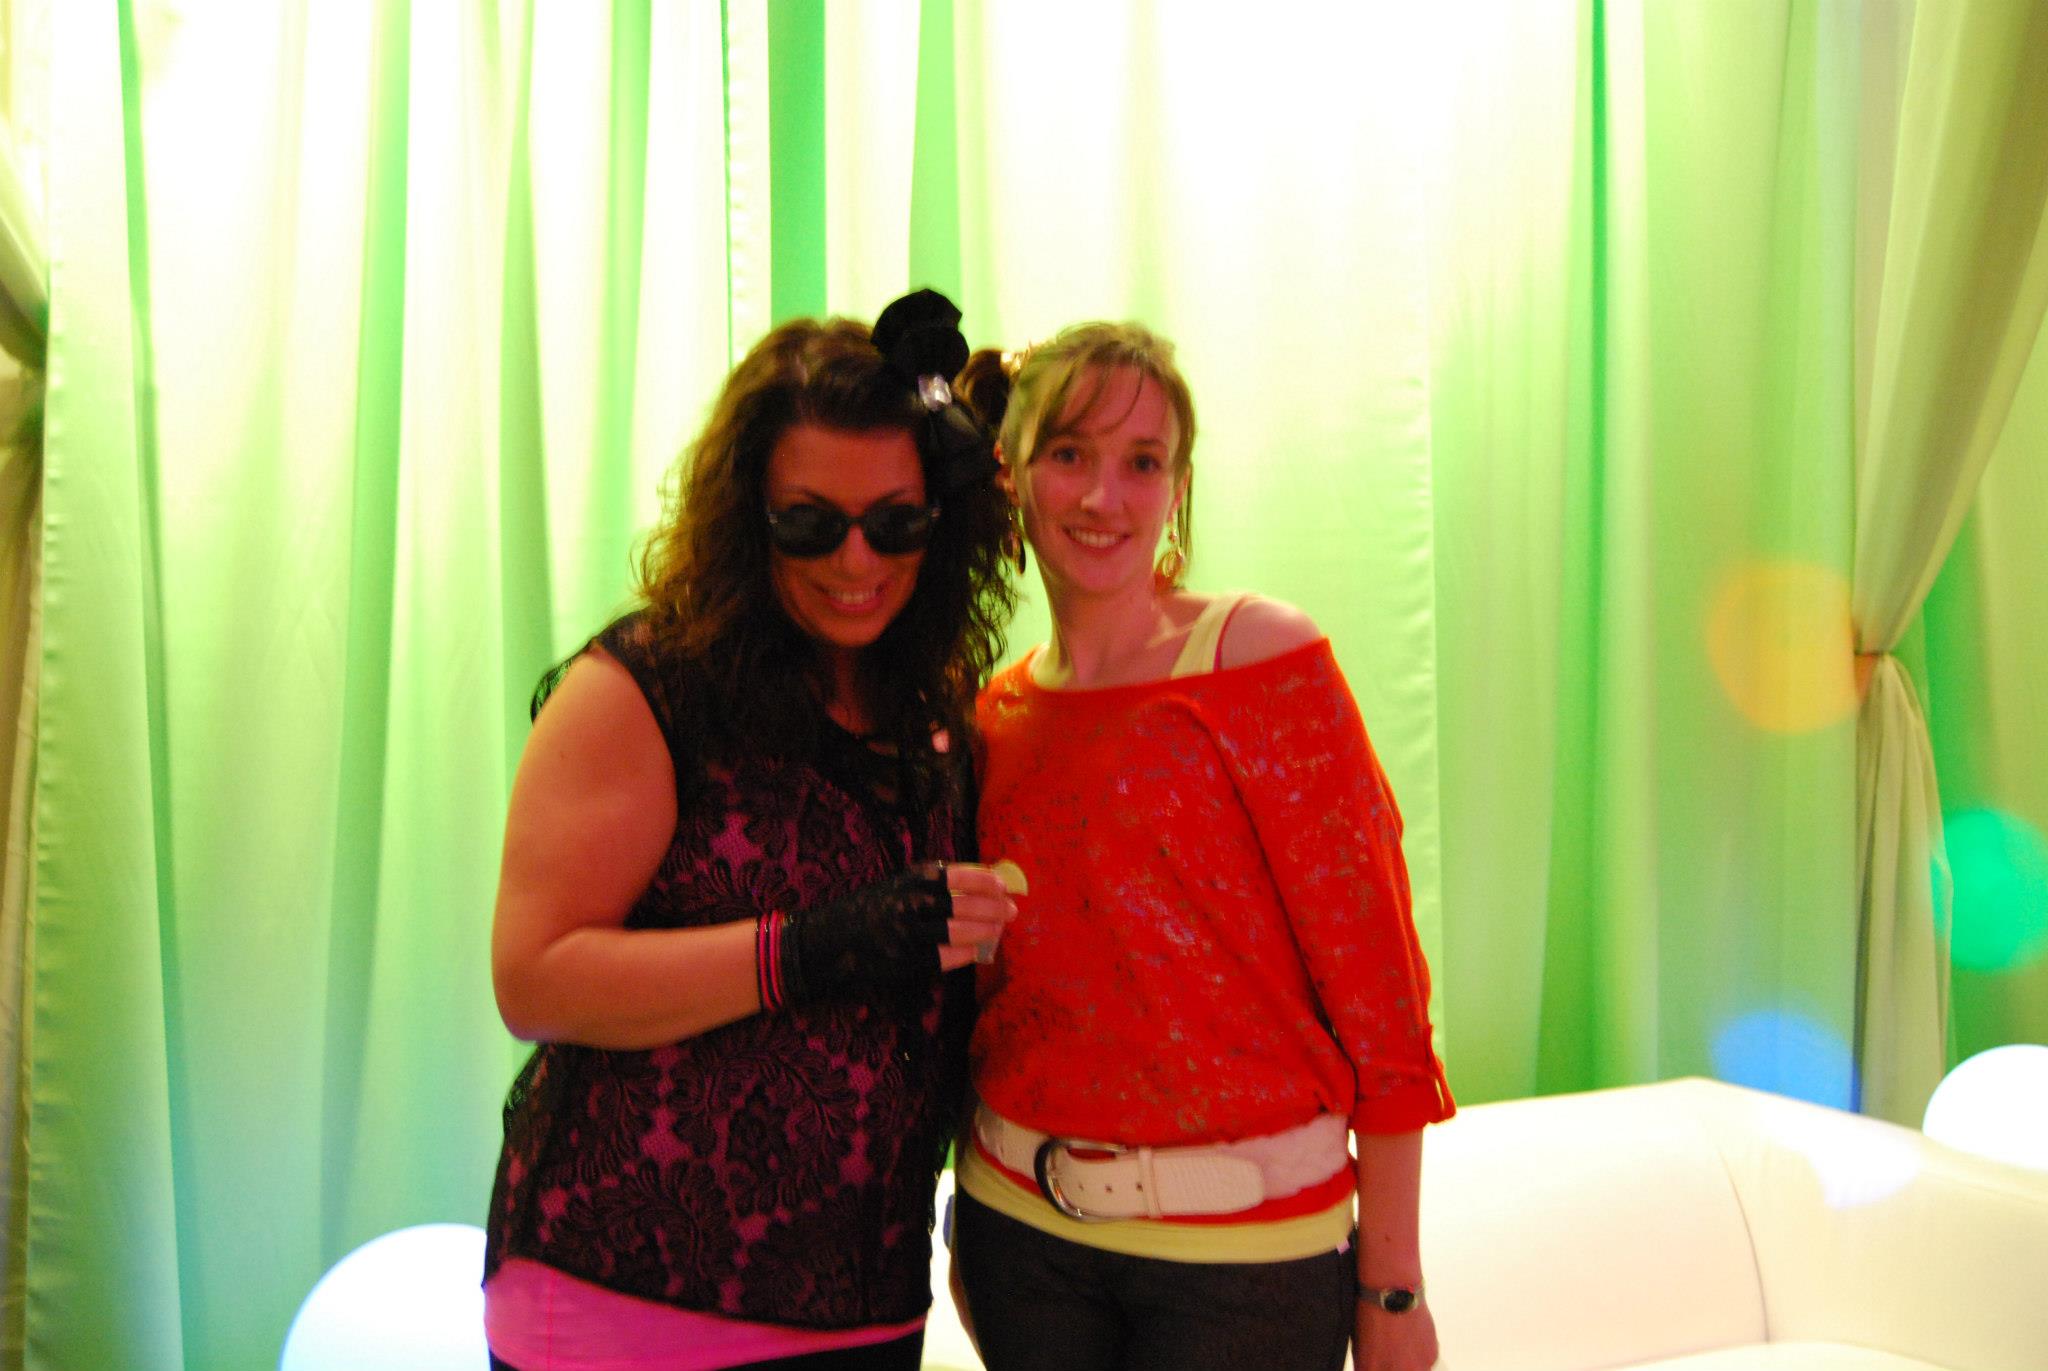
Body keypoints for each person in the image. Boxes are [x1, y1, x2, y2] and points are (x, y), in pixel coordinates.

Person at [482, 289, 1019, 1371]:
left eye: (895, 523)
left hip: (865, 1302)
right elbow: (533, 979)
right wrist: (807, 949)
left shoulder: (938, 705)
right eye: (810, 525)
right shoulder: (647, 689)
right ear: (746, 518)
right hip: (630, 1300)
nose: (856, 563)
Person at [950, 324, 1456, 1371]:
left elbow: (1379, 991)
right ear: (1011, 473)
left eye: (1142, 463)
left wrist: (1393, 1284)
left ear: (1177, 488)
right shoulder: (991, 715)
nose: (1104, 496)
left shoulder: (1258, 662)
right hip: (1020, 1240)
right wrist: (970, 1216)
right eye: (1069, 454)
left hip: (1245, 1266)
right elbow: (986, 1000)